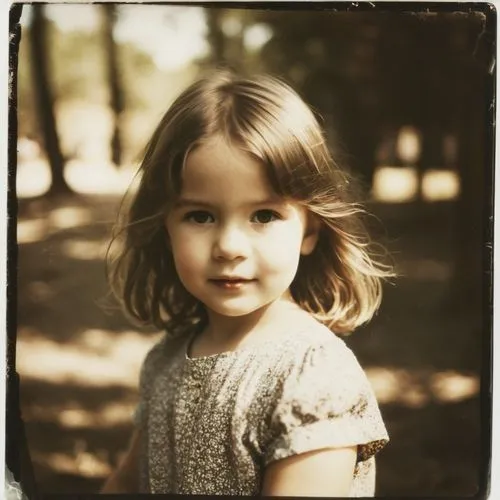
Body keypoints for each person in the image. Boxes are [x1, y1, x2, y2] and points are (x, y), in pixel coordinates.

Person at [101, 70, 393, 496]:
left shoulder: (311, 379)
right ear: (164, 227)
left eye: (264, 216)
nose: (229, 247)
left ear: (310, 230)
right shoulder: (166, 359)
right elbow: (127, 485)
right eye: (200, 216)